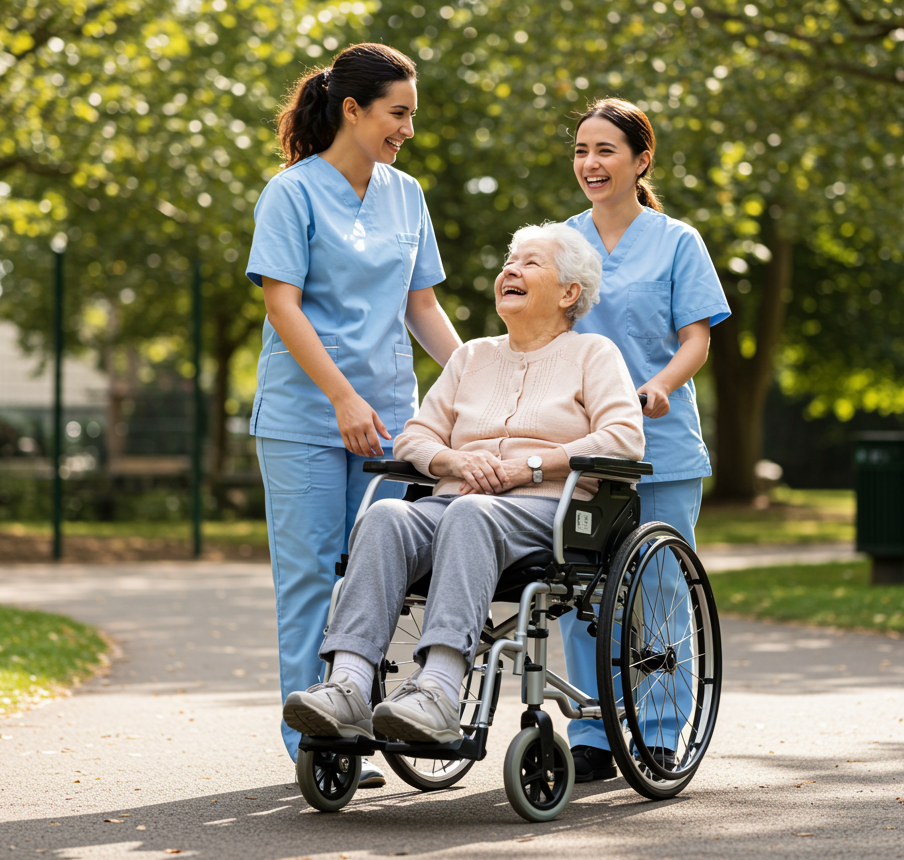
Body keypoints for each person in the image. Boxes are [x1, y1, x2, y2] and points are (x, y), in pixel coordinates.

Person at [281, 223, 645, 745]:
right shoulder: (471, 356)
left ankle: (439, 690)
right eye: (509, 261)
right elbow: (414, 438)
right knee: (385, 515)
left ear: (570, 293)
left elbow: (624, 439)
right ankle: (350, 685)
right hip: (457, 501)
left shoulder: (594, 355)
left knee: (472, 514)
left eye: (531, 263)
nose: (510, 270)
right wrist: (452, 462)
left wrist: (534, 467)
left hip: (549, 514)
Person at [246, 43, 462, 781]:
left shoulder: (408, 195)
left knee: (376, 574)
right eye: (396, 113)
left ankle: (354, 709)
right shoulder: (292, 194)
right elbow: (283, 304)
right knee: (310, 575)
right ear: (352, 109)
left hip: (391, 421)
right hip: (304, 416)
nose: (406, 128)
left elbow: (421, 305)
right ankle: (316, 743)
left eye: (411, 115)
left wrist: (472, 382)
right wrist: (341, 395)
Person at [560, 97, 730, 781]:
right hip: (585, 447)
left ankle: (659, 730)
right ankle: (593, 731)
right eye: (580, 150)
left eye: (604, 150)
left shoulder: (677, 241)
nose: (590, 163)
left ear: (641, 160)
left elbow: (697, 339)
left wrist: (659, 384)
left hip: (660, 441)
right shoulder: (560, 243)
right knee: (578, 590)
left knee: (658, 592)